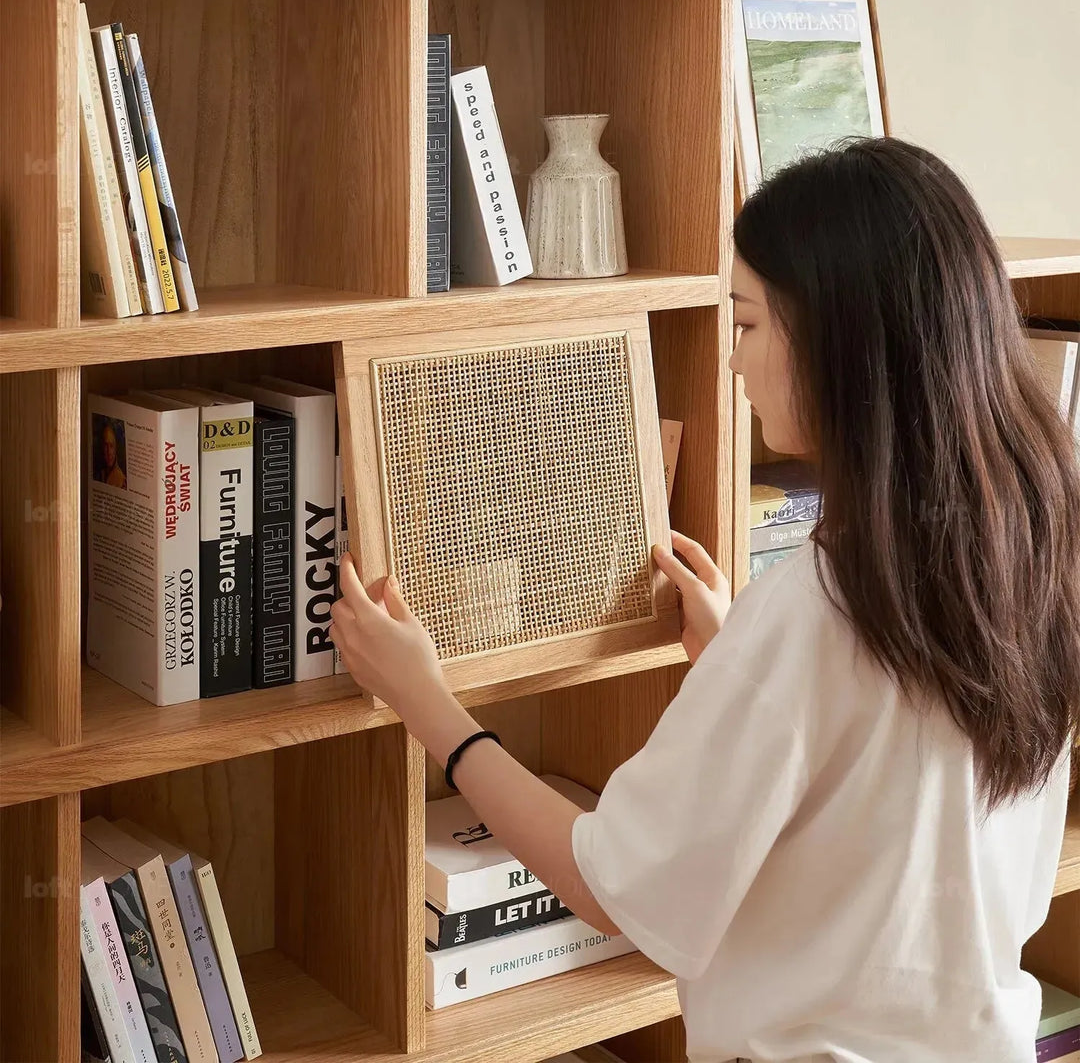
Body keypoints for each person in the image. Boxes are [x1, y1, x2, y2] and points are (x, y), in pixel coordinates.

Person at [329, 138, 1080, 1063]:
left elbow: (615, 887)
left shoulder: (814, 613)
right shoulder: (1035, 555)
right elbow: (894, 794)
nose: (731, 362)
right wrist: (735, 667)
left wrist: (430, 708)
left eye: (750, 325)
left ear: (839, 342)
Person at [97, 420, 126, 488]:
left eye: (111, 446)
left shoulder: (122, 481)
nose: (109, 452)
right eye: (105, 445)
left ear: (116, 448)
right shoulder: (99, 475)